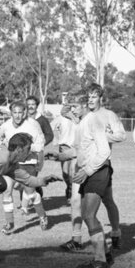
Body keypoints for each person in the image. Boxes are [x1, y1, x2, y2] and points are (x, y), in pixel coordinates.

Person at [53, 83, 126, 268]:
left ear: (85, 105)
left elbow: (103, 153)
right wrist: (59, 156)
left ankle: (100, 260)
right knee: (87, 215)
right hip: (90, 171)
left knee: (88, 215)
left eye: (75, 107)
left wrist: (87, 171)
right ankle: (104, 255)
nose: (72, 111)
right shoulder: (83, 122)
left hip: (97, 171)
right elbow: (79, 150)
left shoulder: (93, 121)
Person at [0, 101, 46, 233]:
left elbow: (41, 143)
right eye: (15, 112)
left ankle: (42, 216)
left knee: (31, 193)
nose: (17, 116)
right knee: (7, 190)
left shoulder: (33, 125)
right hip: (12, 164)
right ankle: (9, 223)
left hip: (29, 164)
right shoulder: (5, 126)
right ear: (11, 113)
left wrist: (25, 148)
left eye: (20, 112)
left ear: (25, 113)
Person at [47, 101, 84, 249]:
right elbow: (53, 124)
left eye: (76, 107)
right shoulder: (64, 117)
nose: (72, 110)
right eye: (71, 107)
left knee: (71, 172)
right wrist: (56, 143)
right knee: (65, 174)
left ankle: (115, 233)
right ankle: (76, 239)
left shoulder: (84, 120)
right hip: (66, 148)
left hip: (81, 154)